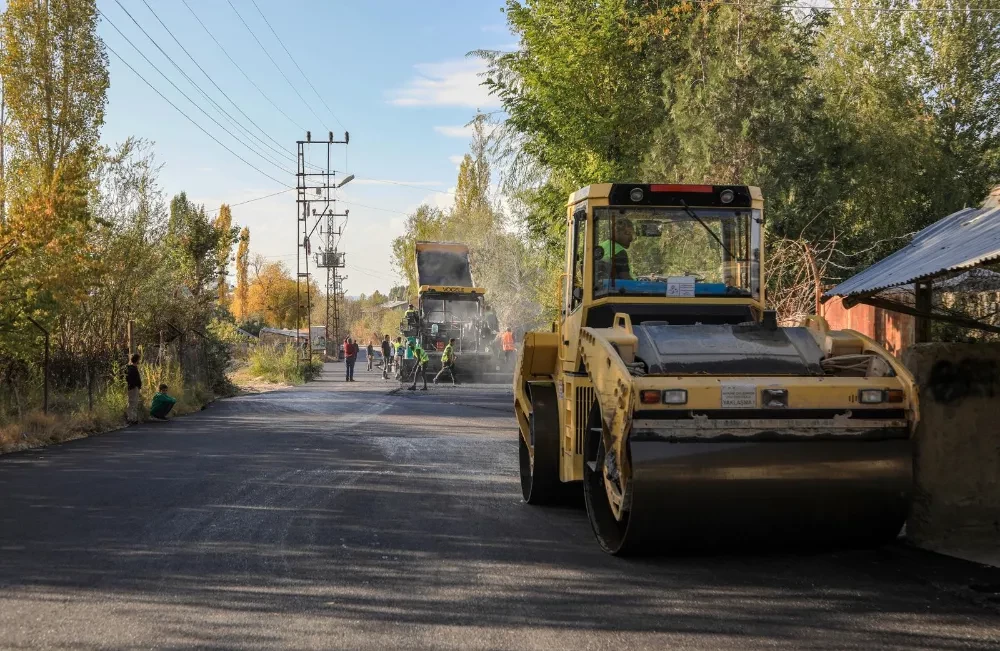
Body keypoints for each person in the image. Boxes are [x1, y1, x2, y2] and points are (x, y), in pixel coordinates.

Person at [125, 353, 142, 424]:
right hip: (133, 388)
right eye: (139, 359)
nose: (139, 361)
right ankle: (130, 418)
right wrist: (134, 385)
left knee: (134, 403)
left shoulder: (133, 368)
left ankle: (134, 418)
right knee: (132, 402)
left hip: (135, 387)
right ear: (136, 360)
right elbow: (129, 378)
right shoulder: (131, 368)